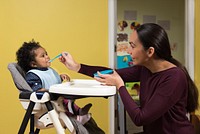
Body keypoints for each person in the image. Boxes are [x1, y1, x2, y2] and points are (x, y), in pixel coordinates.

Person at [59, 23, 199, 134]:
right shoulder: (146, 69)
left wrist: (120, 86)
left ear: (150, 51)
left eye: (132, 46)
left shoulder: (174, 78)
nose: (128, 51)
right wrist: (77, 66)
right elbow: (112, 73)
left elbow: (140, 118)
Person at [16, 40, 106, 134]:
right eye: (43, 56)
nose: (47, 57)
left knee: (68, 101)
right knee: (65, 104)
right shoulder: (33, 75)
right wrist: (48, 91)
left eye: (46, 54)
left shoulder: (49, 70)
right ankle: (76, 118)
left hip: (59, 101)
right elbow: (37, 90)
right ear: (33, 64)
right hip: (48, 107)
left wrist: (60, 78)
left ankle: (79, 111)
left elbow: (52, 82)